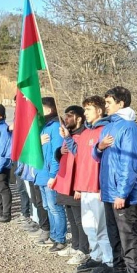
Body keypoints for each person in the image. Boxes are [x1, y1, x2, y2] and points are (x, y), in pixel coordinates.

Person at [93, 86, 137, 273]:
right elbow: (95, 156)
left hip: (122, 194)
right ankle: (120, 270)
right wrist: (99, 147)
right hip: (108, 191)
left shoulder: (129, 128)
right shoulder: (107, 127)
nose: (106, 106)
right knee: (114, 234)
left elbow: (130, 164)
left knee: (128, 236)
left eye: (109, 102)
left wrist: (122, 193)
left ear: (121, 104)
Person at [73, 96, 114, 273]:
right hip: (85, 186)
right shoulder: (84, 133)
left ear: (99, 110)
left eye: (88, 109)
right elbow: (79, 157)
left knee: (101, 227)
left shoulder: (105, 130)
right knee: (89, 225)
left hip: (97, 187)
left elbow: (107, 160)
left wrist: (102, 187)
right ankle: (96, 256)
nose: (85, 113)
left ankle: (109, 260)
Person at [53, 105, 90, 264]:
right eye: (65, 115)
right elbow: (63, 158)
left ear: (79, 118)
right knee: (71, 218)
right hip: (65, 182)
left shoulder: (83, 135)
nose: (66, 119)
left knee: (80, 219)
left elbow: (83, 162)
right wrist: (58, 152)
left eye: (69, 116)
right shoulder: (69, 135)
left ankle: (84, 250)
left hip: (76, 185)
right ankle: (75, 246)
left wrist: (80, 186)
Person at [35, 97, 67, 252]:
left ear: (48, 109)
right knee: (47, 206)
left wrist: (53, 175)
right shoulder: (42, 127)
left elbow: (57, 153)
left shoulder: (55, 126)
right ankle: (54, 235)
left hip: (49, 174)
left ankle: (60, 238)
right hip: (40, 173)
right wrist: (37, 142)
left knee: (55, 207)